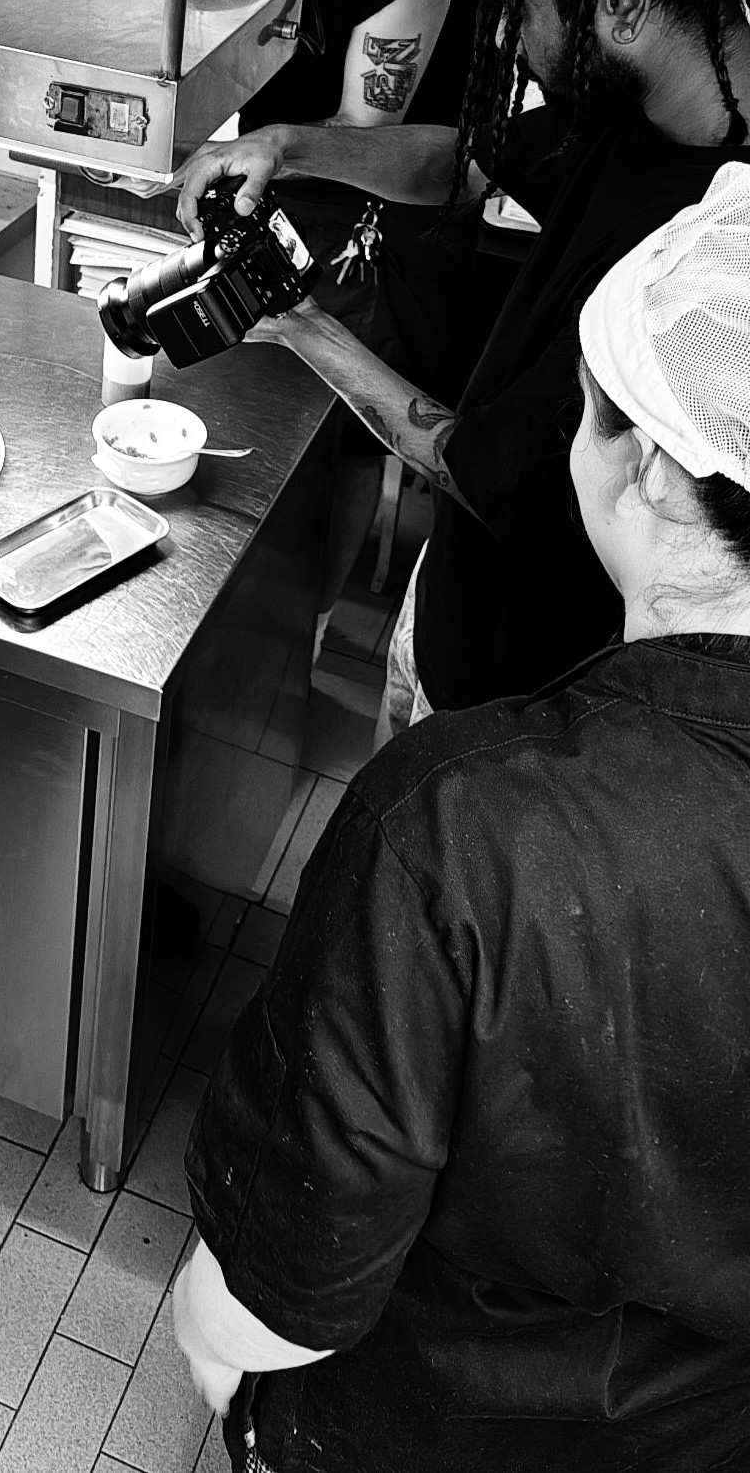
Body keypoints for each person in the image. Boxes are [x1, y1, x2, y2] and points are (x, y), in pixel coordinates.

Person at [173, 157, 750, 1471]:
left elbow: (276, 1290)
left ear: (655, 471)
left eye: (590, 411)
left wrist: (208, 1328)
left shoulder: (461, 825)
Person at [176, 0, 750, 728]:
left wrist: (303, 326)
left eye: (524, 10)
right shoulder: (648, 107)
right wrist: (290, 144)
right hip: (454, 598)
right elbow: (469, 163)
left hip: (526, 692)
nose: (512, 42)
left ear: (622, 2)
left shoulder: (704, 268)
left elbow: (477, 466)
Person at [129, 0, 500, 631]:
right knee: (250, 371)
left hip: (397, 181)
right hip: (284, 152)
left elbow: (371, 126)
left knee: (343, 415)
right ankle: (225, 603)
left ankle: (304, 625)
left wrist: (268, 149)